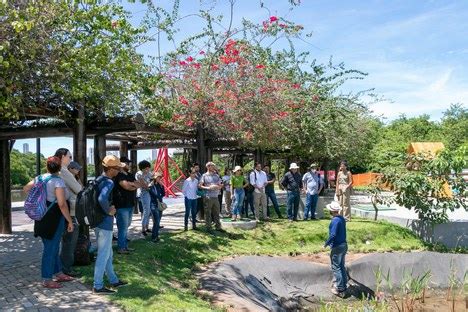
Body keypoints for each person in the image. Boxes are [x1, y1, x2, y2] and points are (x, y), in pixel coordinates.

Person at [23, 156, 74, 289]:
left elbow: (25, 189)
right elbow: (62, 204)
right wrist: (70, 221)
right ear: (59, 168)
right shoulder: (58, 181)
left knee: (53, 247)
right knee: (50, 249)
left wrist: (40, 198)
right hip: (54, 218)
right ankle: (47, 279)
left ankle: (58, 273)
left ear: (47, 166)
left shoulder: (39, 178)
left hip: (41, 216)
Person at [93, 155, 127, 294]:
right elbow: (102, 198)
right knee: (103, 254)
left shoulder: (98, 179)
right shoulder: (109, 182)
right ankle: (98, 285)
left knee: (108, 253)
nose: (119, 170)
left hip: (97, 221)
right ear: (111, 169)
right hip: (105, 223)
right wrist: (109, 211)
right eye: (118, 168)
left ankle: (113, 280)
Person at [51, 149, 83, 278]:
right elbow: (79, 189)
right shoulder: (64, 171)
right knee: (69, 242)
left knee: (61, 242)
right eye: (69, 156)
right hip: (70, 211)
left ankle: (58, 268)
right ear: (63, 156)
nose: (70, 159)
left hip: (58, 212)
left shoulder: (56, 171)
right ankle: (66, 268)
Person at [113, 156, 140, 254]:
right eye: (127, 163)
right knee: (123, 227)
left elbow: (138, 184)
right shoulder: (119, 175)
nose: (129, 165)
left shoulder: (130, 174)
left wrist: (132, 185)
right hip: (121, 205)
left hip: (130, 204)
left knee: (126, 226)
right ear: (122, 164)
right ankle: (121, 248)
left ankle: (124, 246)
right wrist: (132, 186)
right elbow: (127, 186)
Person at [324, 201, 348, 297]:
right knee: (341, 265)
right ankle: (343, 284)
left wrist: (326, 244)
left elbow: (333, 234)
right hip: (344, 245)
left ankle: (340, 288)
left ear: (332, 211)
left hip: (337, 247)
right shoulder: (342, 219)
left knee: (336, 267)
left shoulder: (335, 221)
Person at [198, 162, 223, 233]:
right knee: (208, 213)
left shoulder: (216, 175)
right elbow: (199, 185)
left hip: (216, 197)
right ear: (208, 167)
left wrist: (218, 186)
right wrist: (208, 188)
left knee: (217, 212)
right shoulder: (204, 176)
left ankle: (218, 227)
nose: (214, 167)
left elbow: (221, 184)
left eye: (214, 166)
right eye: (212, 166)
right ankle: (208, 228)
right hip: (208, 197)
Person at [135, 160, 153, 236]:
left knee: (149, 211)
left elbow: (153, 179)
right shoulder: (139, 174)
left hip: (149, 192)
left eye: (148, 168)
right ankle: (143, 229)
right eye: (146, 168)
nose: (148, 170)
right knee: (146, 211)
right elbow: (144, 185)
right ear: (142, 168)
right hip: (143, 193)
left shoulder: (149, 173)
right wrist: (150, 184)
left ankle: (147, 227)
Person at [148, 172, 165, 242]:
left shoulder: (158, 185)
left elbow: (163, 194)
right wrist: (159, 196)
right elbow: (154, 194)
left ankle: (156, 236)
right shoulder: (151, 185)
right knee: (156, 221)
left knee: (158, 221)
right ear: (154, 177)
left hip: (159, 204)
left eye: (160, 177)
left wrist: (162, 186)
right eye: (158, 177)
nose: (160, 179)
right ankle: (154, 237)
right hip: (153, 205)